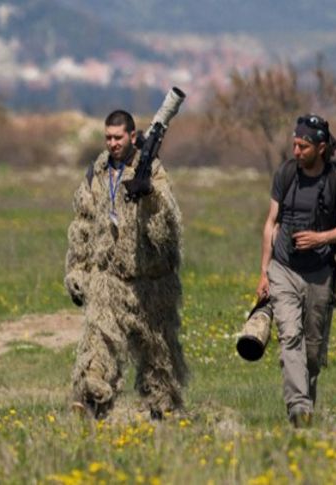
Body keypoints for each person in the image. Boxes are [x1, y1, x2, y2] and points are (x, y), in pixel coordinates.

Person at [65, 110, 188, 420]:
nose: (112, 143)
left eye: (118, 137)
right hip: (110, 278)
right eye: (107, 137)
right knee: (98, 343)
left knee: (157, 355)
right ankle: (88, 406)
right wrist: (77, 269)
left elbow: (166, 224)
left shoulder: (153, 170)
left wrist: (149, 195)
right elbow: (83, 224)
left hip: (151, 282)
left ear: (133, 137)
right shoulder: (98, 172)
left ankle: (161, 413)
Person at [256, 114, 336, 427]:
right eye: (294, 145)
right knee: (290, 336)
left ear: (321, 147)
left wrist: (321, 238)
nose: (296, 151)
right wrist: (263, 272)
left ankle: (305, 416)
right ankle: (299, 409)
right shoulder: (286, 173)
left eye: (303, 146)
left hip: (320, 273)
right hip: (283, 268)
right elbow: (270, 223)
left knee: (312, 353)